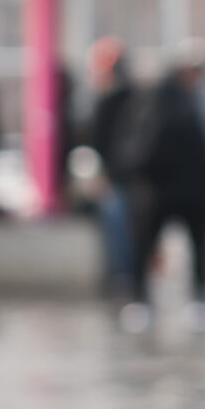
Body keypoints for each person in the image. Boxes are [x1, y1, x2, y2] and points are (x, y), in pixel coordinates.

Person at [120, 43, 205, 330]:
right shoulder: (160, 102)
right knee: (147, 247)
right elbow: (145, 146)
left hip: (190, 190)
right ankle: (140, 300)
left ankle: (198, 300)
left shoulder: (198, 101)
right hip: (160, 191)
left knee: (197, 247)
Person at [84, 39, 137, 297]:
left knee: (120, 226)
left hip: (121, 177)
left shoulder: (117, 99)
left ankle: (123, 277)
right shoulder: (117, 98)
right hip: (118, 176)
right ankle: (123, 276)